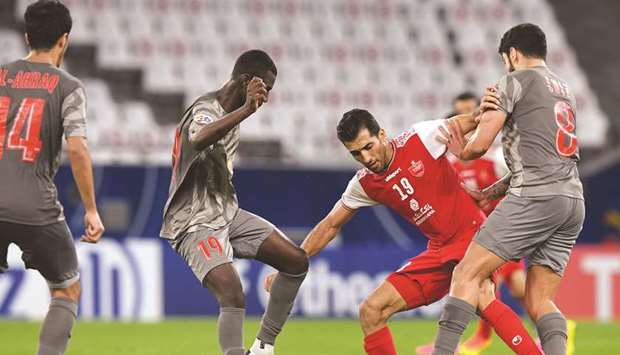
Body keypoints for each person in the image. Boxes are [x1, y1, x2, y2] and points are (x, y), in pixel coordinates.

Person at [266, 109, 541, 355]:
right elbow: (329, 226)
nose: (366, 158)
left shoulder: (421, 138)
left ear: (382, 134)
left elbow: (476, 119)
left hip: (472, 236)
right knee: (372, 311)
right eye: (356, 154)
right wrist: (289, 266)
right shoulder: (364, 184)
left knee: (482, 296)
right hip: (439, 250)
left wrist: (507, 109)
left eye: (368, 147)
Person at [432, 23, 584, 355]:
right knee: (540, 300)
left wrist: (459, 148)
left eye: (505, 60)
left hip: (535, 197)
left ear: (512, 54)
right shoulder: (564, 89)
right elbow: (547, 158)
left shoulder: (511, 83)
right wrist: (490, 192)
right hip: (572, 199)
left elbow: (477, 147)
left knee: (466, 274)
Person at [160, 49, 309, 355]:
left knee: (296, 261)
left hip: (226, 215)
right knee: (232, 293)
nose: (265, 97)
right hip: (192, 222)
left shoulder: (231, 115)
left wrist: (243, 113)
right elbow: (199, 138)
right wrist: (246, 111)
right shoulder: (206, 109)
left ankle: (263, 347)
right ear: (246, 81)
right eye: (264, 87)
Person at [0, 1, 105, 354]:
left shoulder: (1, 76)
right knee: (66, 289)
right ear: (65, 40)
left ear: (27, 36)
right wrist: (91, 210)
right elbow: (77, 149)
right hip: (36, 209)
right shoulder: (69, 86)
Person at [416, 92, 529, 355]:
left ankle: (470, 341)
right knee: (503, 287)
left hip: (500, 231)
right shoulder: (451, 164)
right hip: (475, 234)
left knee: (485, 285)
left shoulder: (494, 158)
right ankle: (550, 326)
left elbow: (517, 183)